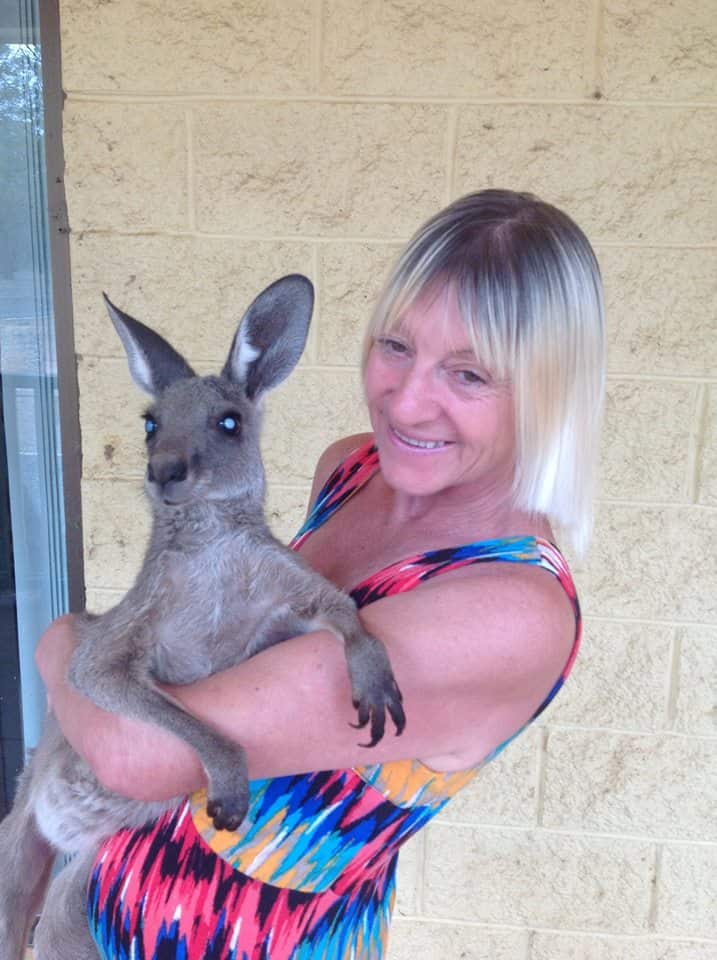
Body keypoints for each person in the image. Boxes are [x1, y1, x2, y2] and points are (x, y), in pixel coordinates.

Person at [36, 188, 605, 959]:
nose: (405, 404)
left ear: (548, 391)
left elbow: (138, 757)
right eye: (396, 347)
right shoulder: (352, 468)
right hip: (106, 912)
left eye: (468, 376)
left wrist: (62, 642)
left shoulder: (509, 612)